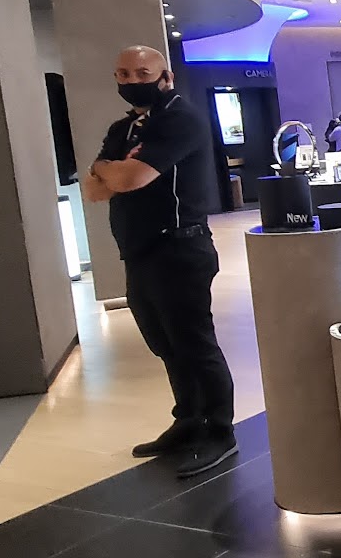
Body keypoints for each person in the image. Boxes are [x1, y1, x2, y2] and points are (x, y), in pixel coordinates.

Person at [82, 46, 236, 476]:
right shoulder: (123, 128)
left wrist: (110, 170)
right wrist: (109, 170)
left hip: (180, 249)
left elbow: (131, 177)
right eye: (123, 73)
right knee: (164, 343)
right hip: (139, 250)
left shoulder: (180, 119)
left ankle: (219, 431)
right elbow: (93, 190)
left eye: (142, 73)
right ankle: (188, 419)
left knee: (194, 343)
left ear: (165, 77)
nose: (132, 81)